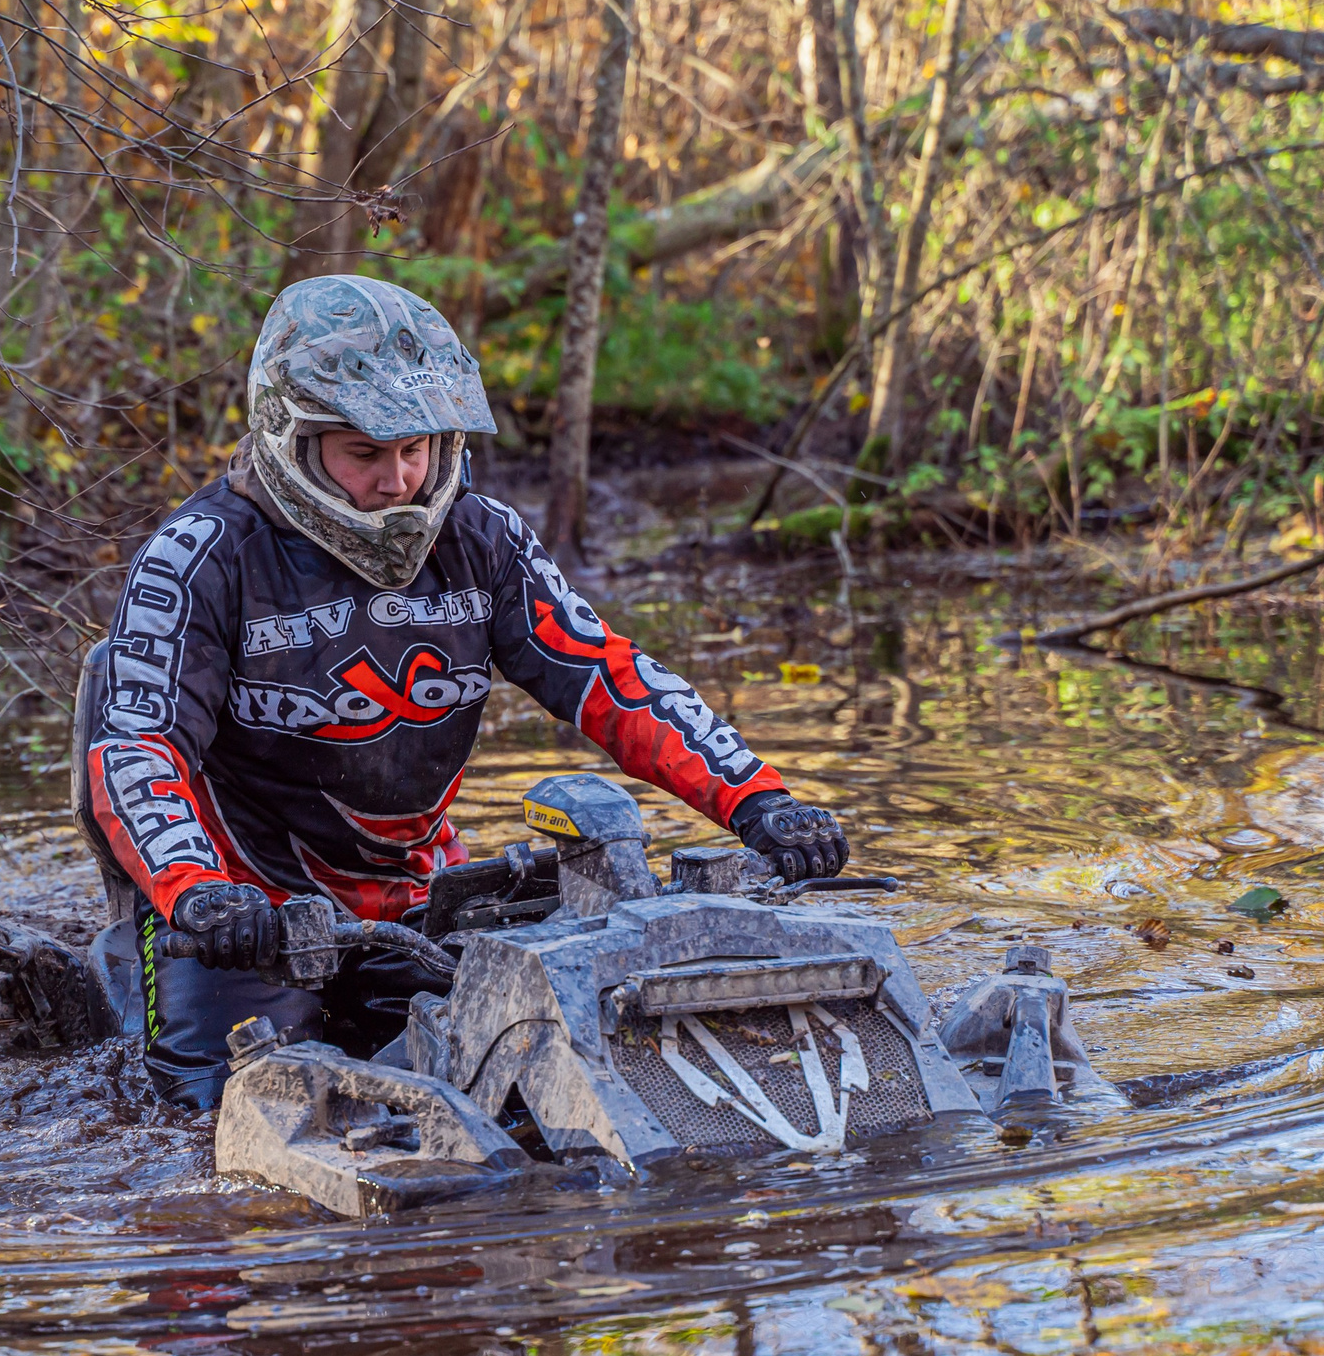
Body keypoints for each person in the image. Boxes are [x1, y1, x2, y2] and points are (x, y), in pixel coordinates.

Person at [85, 275, 849, 1109]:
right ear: (290, 438)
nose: (400, 480)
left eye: (418, 447)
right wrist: (199, 891)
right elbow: (136, 744)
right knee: (213, 1124)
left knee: (537, 1082)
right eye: (365, 454)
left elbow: (607, 678)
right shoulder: (202, 555)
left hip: (415, 898)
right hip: (241, 916)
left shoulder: (483, 537)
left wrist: (759, 802)